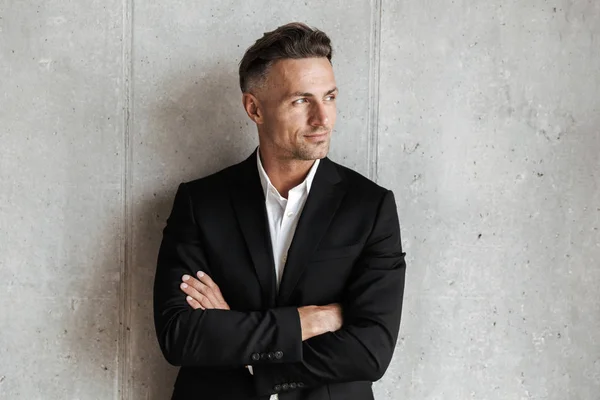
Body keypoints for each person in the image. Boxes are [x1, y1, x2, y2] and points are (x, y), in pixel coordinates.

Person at [153, 22, 407, 400]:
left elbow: (371, 350)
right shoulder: (201, 203)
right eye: (301, 101)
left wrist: (243, 345)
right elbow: (180, 336)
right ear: (254, 108)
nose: (323, 119)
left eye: (331, 97)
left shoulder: (370, 207)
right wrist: (309, 321)